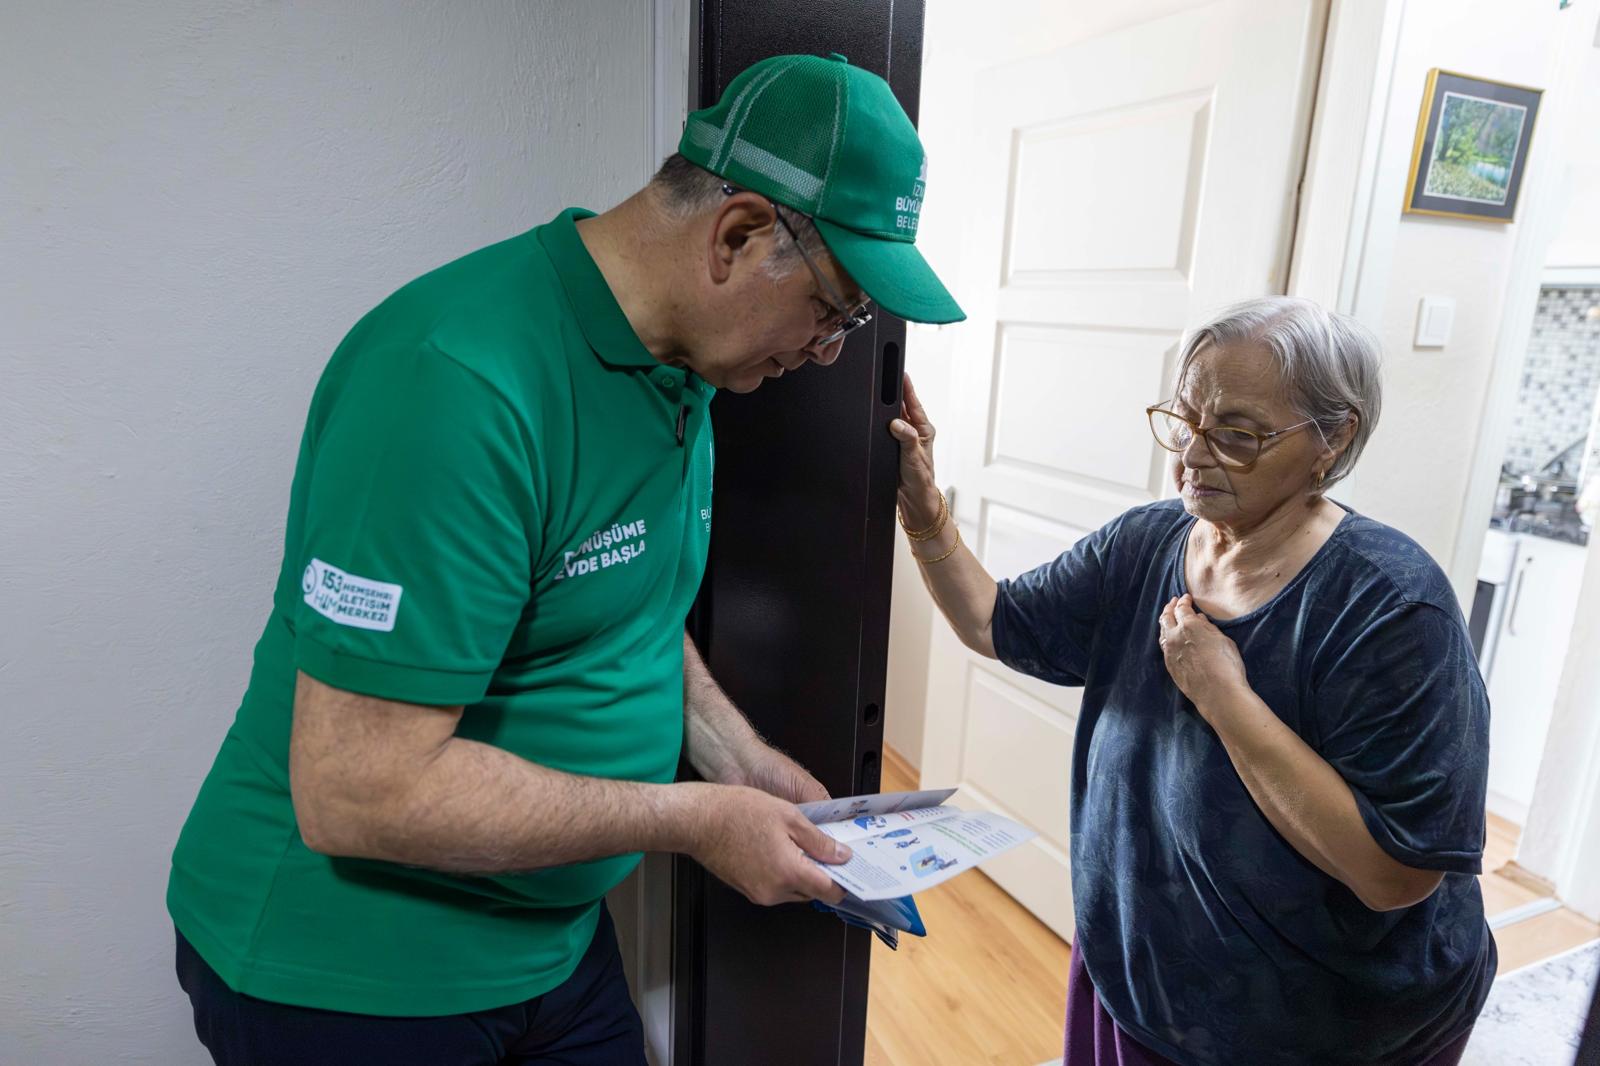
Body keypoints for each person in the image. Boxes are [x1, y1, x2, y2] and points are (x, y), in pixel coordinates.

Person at [167, 53, 963, 1066]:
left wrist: (739, 760)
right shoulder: (456, 383)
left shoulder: (683, 370)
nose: (829, 353)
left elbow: (616, 604)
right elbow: (357, 790)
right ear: (738, 234)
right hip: (353, 980)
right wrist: (696, 817)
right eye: (835, 309)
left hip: (548, 951)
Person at [889, 297, 1494, 1066]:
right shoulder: (1147, 543)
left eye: (1237, 435)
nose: (1192, 458)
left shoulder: (1391, 606)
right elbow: (992, 622)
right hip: (1140, 981)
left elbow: (1393, 874)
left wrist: (1223, 697)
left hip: (1317, 1035)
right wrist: (923, 507)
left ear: (1332, 439)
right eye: (1184, 422)